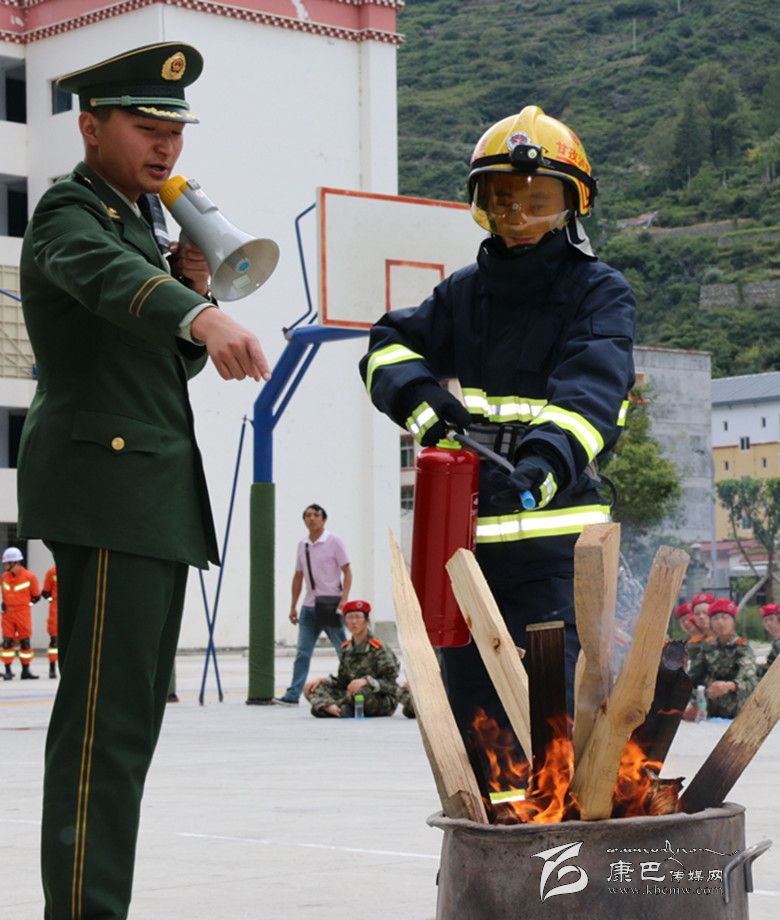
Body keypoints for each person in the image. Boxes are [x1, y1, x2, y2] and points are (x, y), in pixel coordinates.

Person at [17, 42, 271, 918]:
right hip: (108, 493)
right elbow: (104, 280)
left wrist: (189, 288)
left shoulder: (138, 226)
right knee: (102, 733)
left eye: (175, 130)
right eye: (145, 126)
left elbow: (158, 366)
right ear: (91, 128)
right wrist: (197, 312)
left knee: (127, 729)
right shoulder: (69, 214)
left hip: (151, 499)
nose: (166, 146)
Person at [359, 106, 635, 750]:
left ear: (571, 208)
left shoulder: (598, 292)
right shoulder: (462, 294)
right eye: (502, 199)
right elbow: (385, 346)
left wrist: (543, 464)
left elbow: (592, 390)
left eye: (537, 202)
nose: (517, 217)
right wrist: (425, 402)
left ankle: (559, 823)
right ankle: (490, 821)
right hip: (467, 549)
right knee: (477, 726)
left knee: (554, 728)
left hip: (558, 552)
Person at [275, 504, 351, 705]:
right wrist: (293, 606)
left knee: (342, 650)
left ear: (323, 519)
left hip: (330, 603)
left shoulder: (334, 541)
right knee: (302, 652)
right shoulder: (303, 545)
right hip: (309, 606)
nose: (311, 518)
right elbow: (298, 576)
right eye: (307, 515)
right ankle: (293, 694)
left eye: (316, 515)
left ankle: (352, 687)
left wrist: (344, 599)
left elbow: (347, 571)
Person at [304, 600, 400, 717]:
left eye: (358, 617)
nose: (354, 622)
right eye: (350, 617)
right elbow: (342, 682)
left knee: (360, 692)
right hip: (351, 694)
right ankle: (338, 711)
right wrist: (322, 680)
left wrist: (366, 681)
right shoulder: (347, 648)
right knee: (313, 688)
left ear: (366, 621)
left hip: (380, 698)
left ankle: (328, 707)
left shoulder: (379, 648)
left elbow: (391, 684)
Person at [687, 598, 758, 719]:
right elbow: (692, 679)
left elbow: (751, 682)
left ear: (733, 621)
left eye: (725, 617)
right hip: (708, 712)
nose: (720, 622)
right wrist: (694, 702)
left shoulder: (742, 648)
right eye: (715, 618)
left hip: (738, 714)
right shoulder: (707, 648)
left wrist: (729, 686)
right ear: (711, 623)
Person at [1, 546, 41, 680]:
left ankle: (25, 671)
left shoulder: (30, 577)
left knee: (25, 642)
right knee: (7, 642)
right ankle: (8, 671)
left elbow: (36, 596)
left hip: (22, 613)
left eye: (7, 563)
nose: (5, 566)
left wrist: (26, 605)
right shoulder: (4, 577)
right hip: (8, 614)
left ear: (14, 562)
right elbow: (4, 593)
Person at [686, 591, 715, 673]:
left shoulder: (722, 637)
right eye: (697, 614)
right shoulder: (693, 638)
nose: (701, 616)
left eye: (705, 612)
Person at [42, 564, 59, 679]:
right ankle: (52, 668)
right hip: (56, 608)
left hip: (56, 607)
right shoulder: (52, 572)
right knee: (54, 640)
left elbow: (45, 593)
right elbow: (45, 592)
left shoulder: (52, 571)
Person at [758, 602, 780, 678]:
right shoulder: (776, 641)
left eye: (771, 619)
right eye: (765, 620)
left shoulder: (778, 643)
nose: (768, 623)